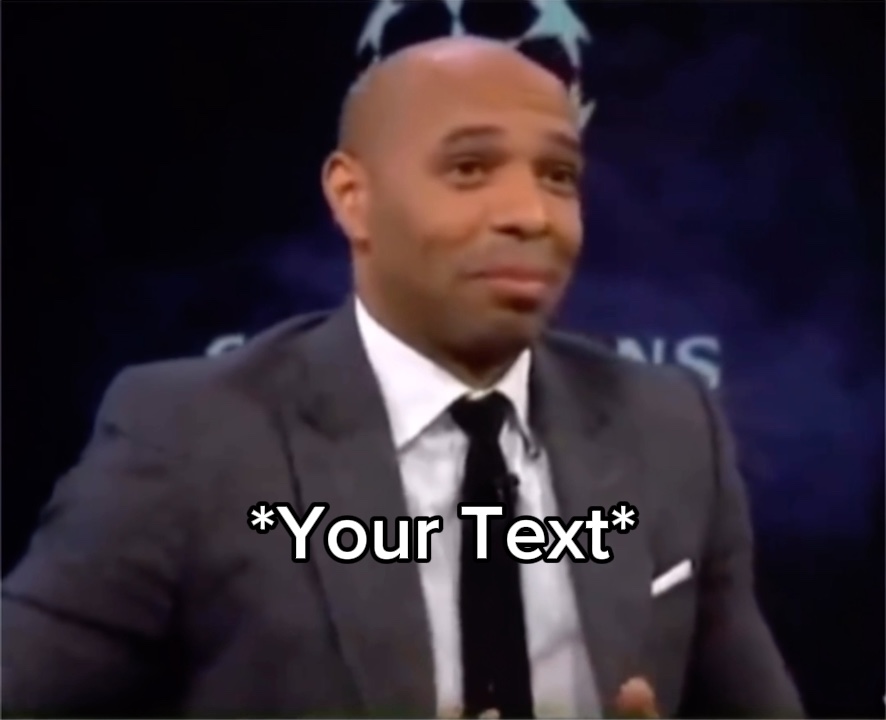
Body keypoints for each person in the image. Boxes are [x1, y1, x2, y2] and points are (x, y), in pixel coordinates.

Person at [2, 37, 803, 719]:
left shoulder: (671, 427)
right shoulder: (188, 435)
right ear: (353, 198)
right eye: (470, 168)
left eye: (558, 175)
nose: (531, 214)